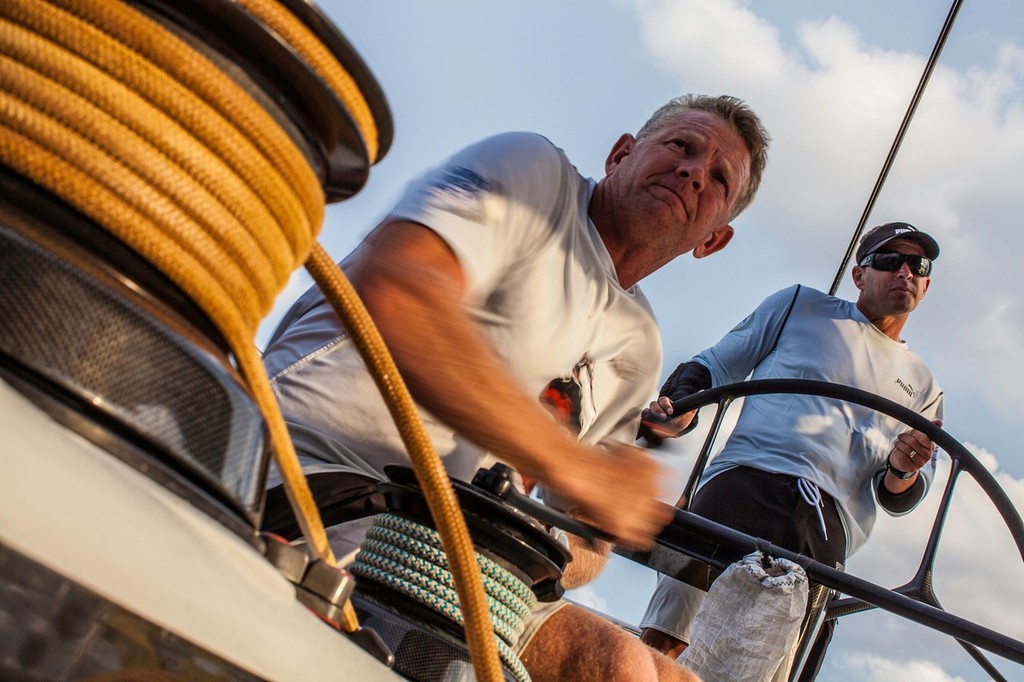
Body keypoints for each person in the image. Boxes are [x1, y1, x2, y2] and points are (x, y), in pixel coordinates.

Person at [260, 94, 770, 681]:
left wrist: (596, 524)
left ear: (713, 240)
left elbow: (585, 546)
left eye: (718, 178)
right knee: (621, 668)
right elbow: (400, 289)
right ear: (620, 154)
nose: (692, 172)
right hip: (314, 486)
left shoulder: (641, 344)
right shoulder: (534, 175)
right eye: (680, 146)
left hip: (470, 565)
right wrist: (576, 469)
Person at [637, 221, 944, 679]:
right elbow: (715, 364)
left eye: (916, 264)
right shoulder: (799, 304)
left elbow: (900, 493)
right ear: (859, 275)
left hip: (827, 521)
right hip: (742, 480)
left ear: (926, 283)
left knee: (778, 667)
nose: (904, 271)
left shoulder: (925, 387)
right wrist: (679, 412)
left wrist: (903, 468)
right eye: (888, 260)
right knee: (670, 631)